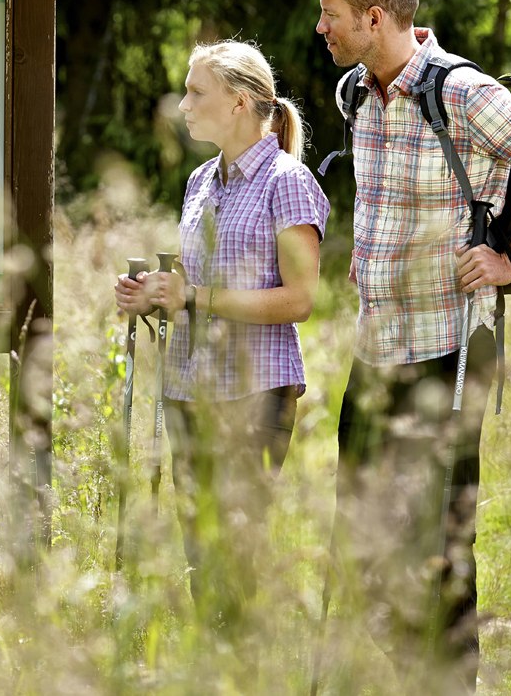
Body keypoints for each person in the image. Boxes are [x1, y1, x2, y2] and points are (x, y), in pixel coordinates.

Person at [312, 0, 511, 691]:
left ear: (375, 16)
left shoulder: (462, 93)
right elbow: (386, 198)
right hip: (375, 347)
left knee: (437, 546)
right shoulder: (358, 93)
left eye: (332, 14)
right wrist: (366, 257)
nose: (322, 28)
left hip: (447, 350)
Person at [113, 38, 330, 627]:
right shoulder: (200, 182)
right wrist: (156, 294)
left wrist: (194, 297)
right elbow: (197, 288)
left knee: (232, 561)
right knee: (198, 560)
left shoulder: (288, 181)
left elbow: (301, 298)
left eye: (195, 92)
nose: (183, 105)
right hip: (190, 387)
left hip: (254, 393)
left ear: (238, 102)